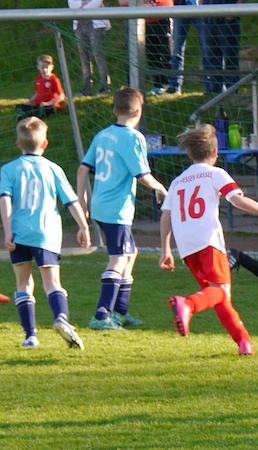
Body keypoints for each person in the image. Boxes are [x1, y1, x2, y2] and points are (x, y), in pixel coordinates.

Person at [159, 124, 258, 356]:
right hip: (209, 242)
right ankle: (187, 305)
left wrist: (166, 250)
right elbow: (237, 200)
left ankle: (244, 342)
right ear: (215, 153)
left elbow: (166, 216)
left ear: (190, 154)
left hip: (187, 248)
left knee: (218, 297)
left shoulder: (178, 181)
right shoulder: (215, 173)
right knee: (220, 293)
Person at [77, 87, 169, 331]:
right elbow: (143, 175)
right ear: (138, 112)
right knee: (118, 258)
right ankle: (102, 315)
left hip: (101, 205)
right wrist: (161, 188)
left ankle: (120, 312)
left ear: (114, 110)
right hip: (116, 209)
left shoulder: (102, 135)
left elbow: (83, 169)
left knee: (130, 253)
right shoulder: (133, 137)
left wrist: (82, 203)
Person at [0, 118, 92, 349]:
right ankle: (61, 318)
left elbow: (5, 200)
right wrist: (83, 226)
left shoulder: (8, 170)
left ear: (18, 144)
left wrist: (8, 230)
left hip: (19, 233)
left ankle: (31, 336)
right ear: (45, 144)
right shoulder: (53, 169)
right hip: (46, 234)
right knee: (52, 283)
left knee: (23, 283)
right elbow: (71, 201)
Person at [68, 0, 112, 97]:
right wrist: (83, 3)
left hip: (95, 23)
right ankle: (87, 88)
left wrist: (81, 8)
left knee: (98, 55)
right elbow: (71, 4)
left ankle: (105, 87)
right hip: (79, 24)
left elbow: (97, 2)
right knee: (84, 57)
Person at [203, 0, 245, 94]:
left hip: (227, 20)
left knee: (230, 56)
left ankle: (232, 89)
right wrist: (202, 10)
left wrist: (232, 14)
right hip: (208, 20)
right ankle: (215, 89)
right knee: (211, 56)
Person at [166, 0, 205, 94]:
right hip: (180, 8)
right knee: (177, 50)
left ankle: (211, 86)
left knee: (206, 49)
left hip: (200, 8)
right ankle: (174, 86)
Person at [15, 55, 65, 122]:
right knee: (19, 107)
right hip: (39, 106)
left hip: (49, 105)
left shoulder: (54, 79)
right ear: (38, 67)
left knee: (50, 109)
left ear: (52, 67)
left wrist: (48, 103)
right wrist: (30, 101)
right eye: (42, 67)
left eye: (46, 67)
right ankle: (34, 114)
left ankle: (27, 116)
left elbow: (61, 96)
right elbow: (37, 93)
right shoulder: (38, 79)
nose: (45, 70)